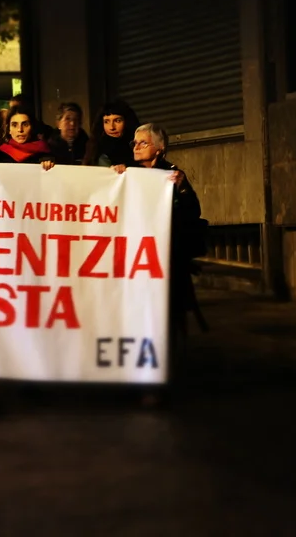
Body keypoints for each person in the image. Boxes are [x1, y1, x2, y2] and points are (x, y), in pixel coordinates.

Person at [110, 123, 207, 398]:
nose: (136, 147)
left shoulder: (173, 176)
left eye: (143, 142)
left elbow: (192, 213)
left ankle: (160, 379)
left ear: (159, 148)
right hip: (135, 262)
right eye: (134, 143)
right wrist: (114, 178)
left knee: (165, 321)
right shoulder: (128, 174)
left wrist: (183, 189)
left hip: (166, 262)